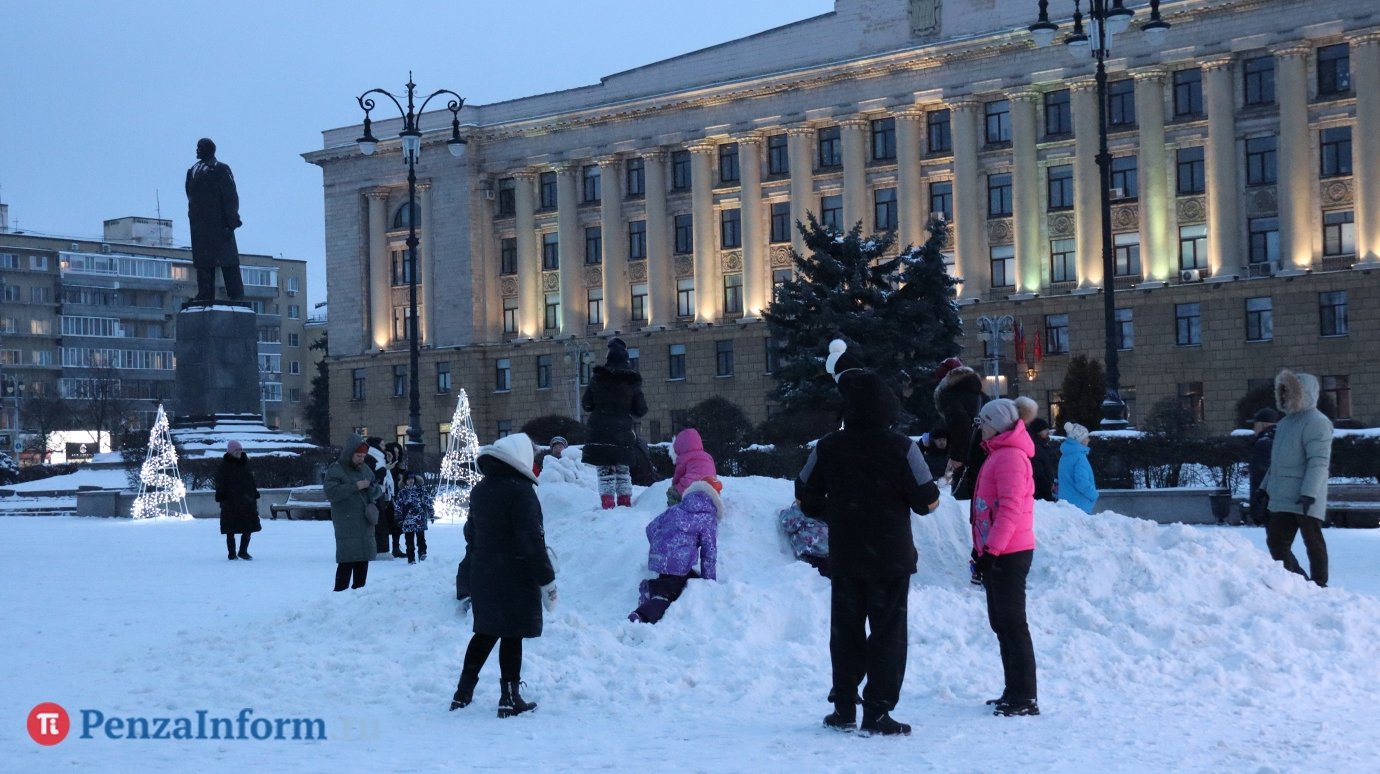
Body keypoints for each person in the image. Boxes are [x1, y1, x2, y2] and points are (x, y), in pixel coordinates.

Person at [796, 368, 940, 736]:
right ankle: (877, 711)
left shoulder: (828, 446)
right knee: (888, 633)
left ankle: (844, 707)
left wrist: (836, 512)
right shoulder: (902, 447)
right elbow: (927, 500)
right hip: (891, 558)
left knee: (845, 632)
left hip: (845, 555)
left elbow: (804, 495)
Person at [449, 433, 557, 717]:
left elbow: (470, 533)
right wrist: (546, 578)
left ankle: (462, 693)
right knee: (513, 635)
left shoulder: (481, 490)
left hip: (484, 571)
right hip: (515, 574)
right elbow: (531, 540)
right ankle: (509, 698)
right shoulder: (521, 492)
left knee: (484, 632)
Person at [971, 397, 1041, 717]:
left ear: (996, 424)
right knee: (1002, 623)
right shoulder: (998, 453)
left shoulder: (1011, 457)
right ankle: (1013, 690)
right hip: (998, 551)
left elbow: (1010, 510)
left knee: (1012, 624)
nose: (980, 428)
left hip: (1009, 553)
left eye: (983, 422)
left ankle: (1025, 696)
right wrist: (981, 549)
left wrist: (992, 551)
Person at [1263, 370, 1333, 587]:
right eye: (1282, 392)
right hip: (1282, 495)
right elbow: (1276, 462)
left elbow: (1319, 461)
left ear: (1304, 394)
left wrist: (1309, 493)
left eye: (1289, 392)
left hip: (1304, 497)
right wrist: (1263, 488)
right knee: (1276, 543)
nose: (1284, 397)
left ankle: (1319, 584)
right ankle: (1297, 582)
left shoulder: (1317, 422)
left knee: (1313, 542)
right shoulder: (1285, 423)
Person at [629, 479, 724, 624]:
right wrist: (709, 582)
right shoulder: (707, 518)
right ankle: (642, 614)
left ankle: (657, 585)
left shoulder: (676, 508)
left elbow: (651, 528)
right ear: (715, 499)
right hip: (677, 562)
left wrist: (661, 547)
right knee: (671, 593)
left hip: (658, 556)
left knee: (686, 578)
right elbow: (708, 552)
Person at [581, 338, 648, 509]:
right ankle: (625, 504)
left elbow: (586, 405)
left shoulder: (598, 378)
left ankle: (607, 505)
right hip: (622, 433)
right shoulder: (632, 381)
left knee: (605, 471)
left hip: (599, 431)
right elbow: (640, 409)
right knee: (623, 470)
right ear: (626, 360)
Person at [185, 138, 244, 301]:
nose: (197, 150)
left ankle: (236, 294)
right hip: (200, 226)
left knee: (228, 261)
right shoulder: (192, 171)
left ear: (209, 150)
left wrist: (231, 222)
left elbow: (231, 196)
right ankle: (205, 293)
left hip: (220, 224)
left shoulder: (220, 169)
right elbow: (190, 196)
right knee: (203, 262)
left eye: (200, 147)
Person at [322, 435, 381, 592]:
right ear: (349, 454)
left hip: (365, 520)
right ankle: (339, 595)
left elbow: (377, 491)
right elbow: (331, 493)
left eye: (363, 456)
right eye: (358, 456)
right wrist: (356, 486)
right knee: (347, 559)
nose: (361, 459)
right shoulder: (336, 469)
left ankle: (358, 595)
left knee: (363, 559)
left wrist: (373, 489)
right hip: (346, 522)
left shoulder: (365, 469)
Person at [933, 357, 986, 498]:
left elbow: (960, 422)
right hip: (985, 451)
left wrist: (957, 456)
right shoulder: (978, 393)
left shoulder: (949, 395)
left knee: (964, 496)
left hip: (967, 454)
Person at [215, 440, 260, 560]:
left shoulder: (245, 464)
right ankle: (232, 553)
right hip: (231, 502)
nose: (239, 452)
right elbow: (220, 482)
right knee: (230, 529)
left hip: (247, 501)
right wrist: (222, 496)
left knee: (248, 527)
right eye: (236, 450)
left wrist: (254, 494)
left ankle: (243, 551)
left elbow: (250, 481)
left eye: (240, 449)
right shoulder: (225, 466)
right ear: (231, 452)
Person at [667, 427, 720, 506]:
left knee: (671, 492)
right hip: (711, 488)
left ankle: (678, 505)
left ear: (679, 446)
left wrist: (675, 485)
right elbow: (713, 474)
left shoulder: (683, 458)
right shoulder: (708, 456)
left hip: (690, 488)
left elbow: (678, 475)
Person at [1247, 407, 1280, 527]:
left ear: (1262, 424)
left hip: (1267, 503)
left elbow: (1260, 477)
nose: (1253, 428)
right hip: (1282, 501)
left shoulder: (1263, 443)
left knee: (1275, 541)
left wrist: (1257, 507)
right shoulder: (1283, 439)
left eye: (1255, 425)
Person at [1057, 423, 1099, 514]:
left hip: (1067, 503)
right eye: (1086, 437)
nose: (1088, 439)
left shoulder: (1064, 456)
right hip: (1080, 505)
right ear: (1080, 439)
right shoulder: (1080, 458)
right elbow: (1082, 483)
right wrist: (1094, 495)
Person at [394, 473, 432, 564]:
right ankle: (411, 557)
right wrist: (398, 518)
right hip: (408, 520)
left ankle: (422, 553)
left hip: (420, 518)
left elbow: (428, 501)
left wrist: (431, 512)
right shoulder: (402, 493)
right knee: (409, 540)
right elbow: (398, 506)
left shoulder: (421, 490)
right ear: (405, 481)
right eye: (408, 479)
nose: (411, 480)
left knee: (421, 537)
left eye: (412, 478)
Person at [1027, 418, 1059, 503]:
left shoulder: (1043, 444)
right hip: (1039, 493)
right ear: (1038, 431)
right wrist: (1048, 485)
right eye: (1045, 429)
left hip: (1046, 490)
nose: (1048, 431)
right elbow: (1037, 472)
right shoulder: (1035, 447)